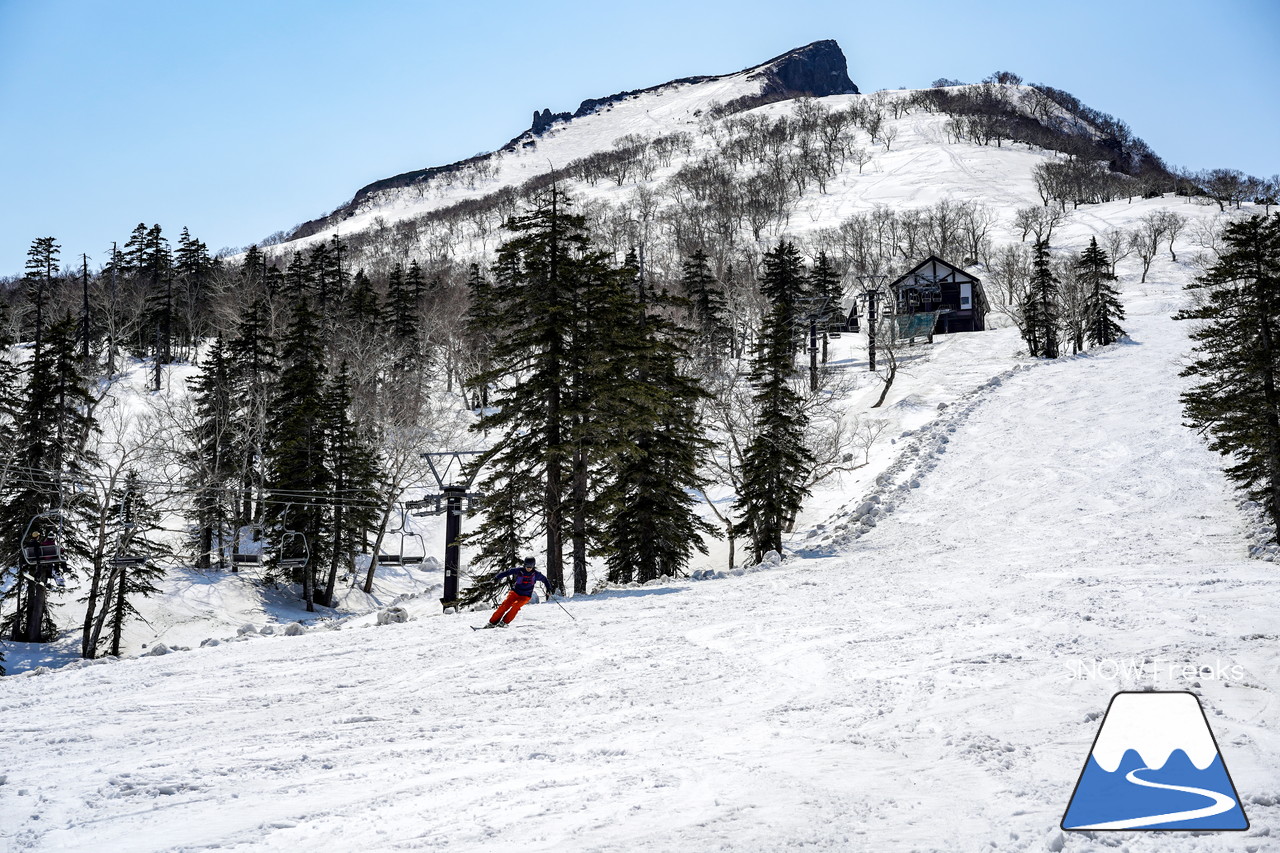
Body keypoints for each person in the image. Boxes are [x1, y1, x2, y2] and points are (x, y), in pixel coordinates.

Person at [483, 556, 552, 628]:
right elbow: (507, 572)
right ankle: (492, 622)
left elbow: (545, 580)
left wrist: (548, 588)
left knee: (516, 606)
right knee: (504, 605)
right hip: (515, 593)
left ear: (533, 566)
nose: (528, 568)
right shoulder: (520, 570)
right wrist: (497, 577)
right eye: (527, 566)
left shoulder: (536, 574)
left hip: (525, 596)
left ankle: (504, 622)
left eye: (530, 567)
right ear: (524, 565)